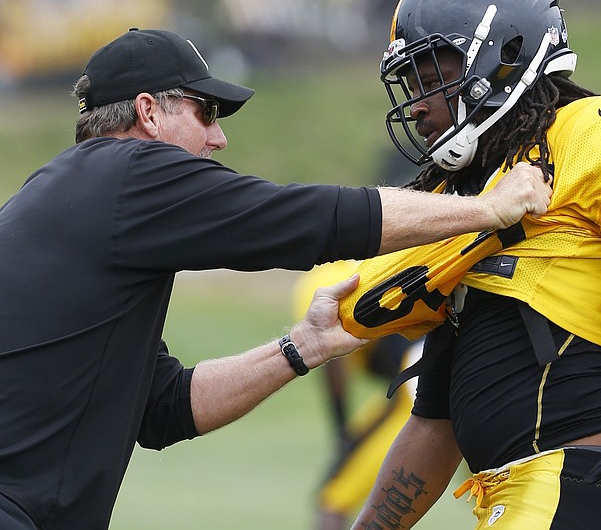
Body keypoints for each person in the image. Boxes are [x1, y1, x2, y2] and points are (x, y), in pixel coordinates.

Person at [0, 27, 553, 530]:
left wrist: (302, 346)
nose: (219, 139)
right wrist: (487, 208)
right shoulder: (125, 174)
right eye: (207, 112)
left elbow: (164, 407)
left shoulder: (76, 198)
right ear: (148, 112)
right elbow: (309, 221)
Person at [340, 0, 601, 530]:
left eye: (430, 78)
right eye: (412, 86)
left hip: (576, 486)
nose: (417, 103)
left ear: (501, 57)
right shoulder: (472, 199)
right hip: (513, 501)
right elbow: (434, 423)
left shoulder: (591, 140)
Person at [293, 261, 425, 530]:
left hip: (420, 379)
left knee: (334, 497)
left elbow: (329, 361)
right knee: (495, 481)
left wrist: (341, 428)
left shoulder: (325, 279)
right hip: (465, 369)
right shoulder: (387, 253)